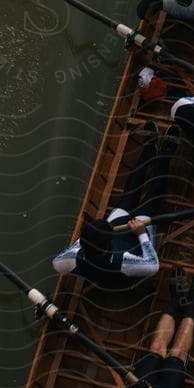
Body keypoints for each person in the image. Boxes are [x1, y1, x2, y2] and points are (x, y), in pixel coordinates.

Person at [52, 124, 173, 289]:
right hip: (134, 244)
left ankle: (149, 147)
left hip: (107, 236)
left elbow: (56, 263)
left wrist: (88, 239)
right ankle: (166, 155)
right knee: (151, 200)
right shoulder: (122, 260)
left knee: (130, 194)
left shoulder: (73, 258)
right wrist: (141, 234)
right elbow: (153, 266)